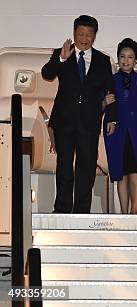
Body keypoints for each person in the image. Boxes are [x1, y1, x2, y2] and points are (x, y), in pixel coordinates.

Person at [42, 15, 117, 214]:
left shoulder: (103, 60)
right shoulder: (62, 53)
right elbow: (47, 74)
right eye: (81, 34)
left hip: (90, 121)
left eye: (89, 35)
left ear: (94, 36)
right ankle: (62, 208)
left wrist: (112, 117)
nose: (84, 38)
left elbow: (110, 92)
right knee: (64, 165)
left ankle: (82, 210)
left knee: (86, 165)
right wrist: (61, 59)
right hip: (64, 120)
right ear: (74, 33)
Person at [103, 38, 137, 214]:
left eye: (130, 57)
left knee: (136, 172)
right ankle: (124, 213)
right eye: (122, 56)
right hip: (117, 133)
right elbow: (99, 105)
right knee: (120, 174)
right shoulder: (110, 80)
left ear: (135, 60)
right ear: (118, 58)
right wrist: (103, 103)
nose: (126, 60)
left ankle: (134, 211)